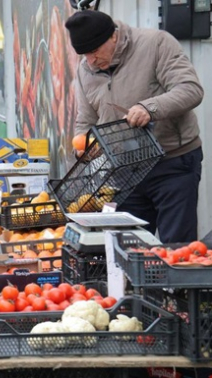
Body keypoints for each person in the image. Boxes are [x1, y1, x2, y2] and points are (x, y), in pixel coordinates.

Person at [65, 10, 204, 243]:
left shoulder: (156, 44)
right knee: (128, 247)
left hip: (173, 164)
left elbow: (190, 89)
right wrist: (83, 145)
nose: (90, 61)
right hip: (125, 171)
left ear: (113, 37)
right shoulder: (85, 70)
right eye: (84, 54)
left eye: (94, 51)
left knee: (176, 246)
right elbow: (86, 119)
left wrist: (150, 108)